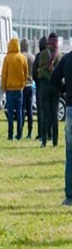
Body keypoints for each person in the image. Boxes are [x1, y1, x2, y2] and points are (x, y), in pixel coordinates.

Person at [49, 40, 72, 205]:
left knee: (70, 154)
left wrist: (65, 89)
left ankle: (70, 196)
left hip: (70, 108)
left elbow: (53, 80)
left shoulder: (67, 59)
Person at [35, 34, 61, 146]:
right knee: (54, 115)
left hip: (45, 87)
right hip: (56, 88)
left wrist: (46, 74)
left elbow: (40, 70)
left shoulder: (43, 54)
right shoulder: (59, 55)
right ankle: (55, 141)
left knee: (45, 114)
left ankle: (44, 141)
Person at [2, 37, 28, 141]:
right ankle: (19, 134)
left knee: (10, 113)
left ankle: (10, 134)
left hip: (9, 89)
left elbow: (4, 74)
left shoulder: (7, 58)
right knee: (19, 112)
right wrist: (23, 84)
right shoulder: (22, 58)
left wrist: (3, 86)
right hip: (19, 89)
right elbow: (26, 73)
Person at [21, 38, 36, 140]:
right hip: (30, 85)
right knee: (29, 109)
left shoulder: (21, 57)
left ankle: (20, 130)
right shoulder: (32, 57)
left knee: (21, 109)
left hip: (22, 85)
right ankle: (30, 131)